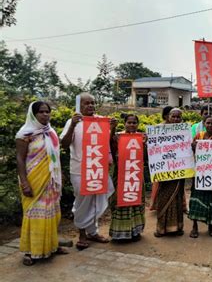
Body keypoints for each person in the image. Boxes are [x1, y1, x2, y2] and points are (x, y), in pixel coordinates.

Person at [60, 93, 115, 250]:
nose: (90, 106)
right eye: (87, 103)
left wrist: (112, 128)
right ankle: (82, 234)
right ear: (79, 105)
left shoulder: (99, 120)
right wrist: (72, 124)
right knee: (82, 202)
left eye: (92, 103)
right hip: (79, 170)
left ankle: (93, 232)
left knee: (96, 201)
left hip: (97, 168)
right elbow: (64, 144)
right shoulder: (73, 122)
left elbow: (107, 143)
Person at [16, 101, 68, 265]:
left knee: (51, 212)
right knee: (34, 214)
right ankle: (31, 251)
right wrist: (24, 182)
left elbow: (55, 157)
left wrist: (61, 173)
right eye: (41, 112)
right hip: (34, 180)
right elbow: (20, 158)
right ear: (33, 114)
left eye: (48, 112)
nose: (45, 115)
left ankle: (52, 246)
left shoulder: (50, 132)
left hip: (51, 180)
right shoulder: (25, 134)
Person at [109, 114, 146, 241]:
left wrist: (145, 144)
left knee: (136, 201)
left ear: (138, 124)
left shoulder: (142, 138)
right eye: (129, 122)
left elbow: (146, 157)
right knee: (120, 201)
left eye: (134, 122)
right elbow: (110, 147)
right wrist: (112, 129)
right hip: (121, 175)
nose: (131, 125)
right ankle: (120, 232)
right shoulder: (118, 137)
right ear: (124, 123)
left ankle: (135, 231)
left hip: (135, 175)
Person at [154, 108, 186, 237]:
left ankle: (177, 227)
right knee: (163, 197)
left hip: (179, 169)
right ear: (168, 117)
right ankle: (161, 228)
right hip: (164, 169)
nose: (176, 119)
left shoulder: (184, 131)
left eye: (179, 117)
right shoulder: (158, 129)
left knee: (177, 197)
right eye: (174, 116)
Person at [188, 114, 212, 238]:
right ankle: (194, 227)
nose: (210, 125)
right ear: (204, 124)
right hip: (199, 174)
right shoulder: (198, 137)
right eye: (208, 123)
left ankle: (211, 227)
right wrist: (193, 147)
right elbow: (191, 152)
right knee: (196, 200)